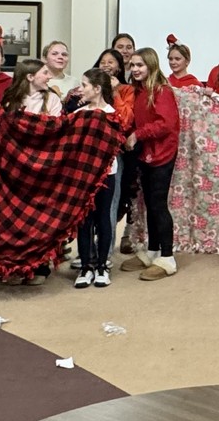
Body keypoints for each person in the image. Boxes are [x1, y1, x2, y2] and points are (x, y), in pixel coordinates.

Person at [121, 48, 181, 281]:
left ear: (151, 65)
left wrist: (138, 134)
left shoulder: (161, 91)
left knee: (158, 204)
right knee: (149, 203)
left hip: (161, 154)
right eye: (133, 65)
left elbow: (166, 124)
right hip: (146, 153)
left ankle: (167, 257)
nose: (135, 69)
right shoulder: (140, 90)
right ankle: (153, 250)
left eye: (140, 65)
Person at [70, 68, 121, 289]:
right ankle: (85, 267)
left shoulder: (112, 114)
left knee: (103, 219)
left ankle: (102, 266)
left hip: (106, 175)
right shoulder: (79, 114)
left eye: (84, 85)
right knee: (84, 220)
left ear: (97, 88)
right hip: (83, 176)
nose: (80, 89)